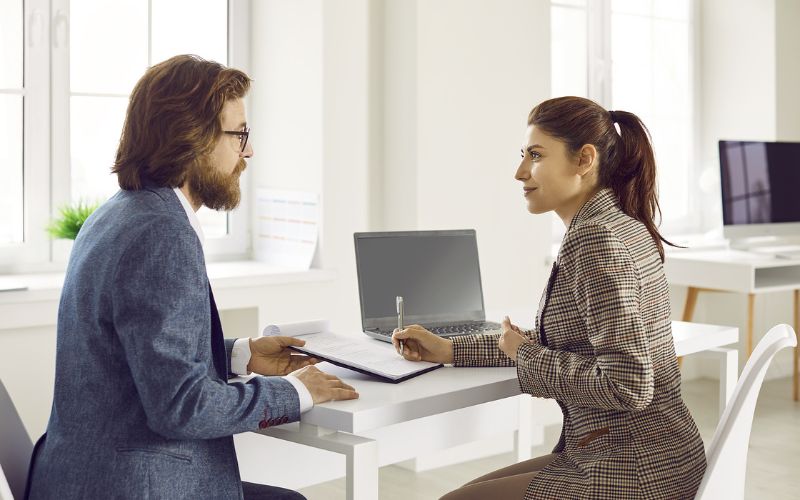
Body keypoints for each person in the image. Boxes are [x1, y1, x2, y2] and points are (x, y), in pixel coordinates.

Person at [26, 55, 358, 500]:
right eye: (239, 134)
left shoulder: (119, 212)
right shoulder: (163, 232)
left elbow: (140, 352)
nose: (249, 151)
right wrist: (295, 390)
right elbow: (181, 407)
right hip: (133, 485)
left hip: (82, 473)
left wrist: (242, 355)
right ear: (193, 139)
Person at [392, 96, 706, 499]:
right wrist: (451, 349)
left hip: (636, 467)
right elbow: (559, 344)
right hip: (645, 454)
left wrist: (524, 353)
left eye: (535, 156)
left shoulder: (597, 239)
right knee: (468, 492)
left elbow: (628, 385)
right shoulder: (614, 224)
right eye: (522, 155)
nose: (520, 172)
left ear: (584, 160)